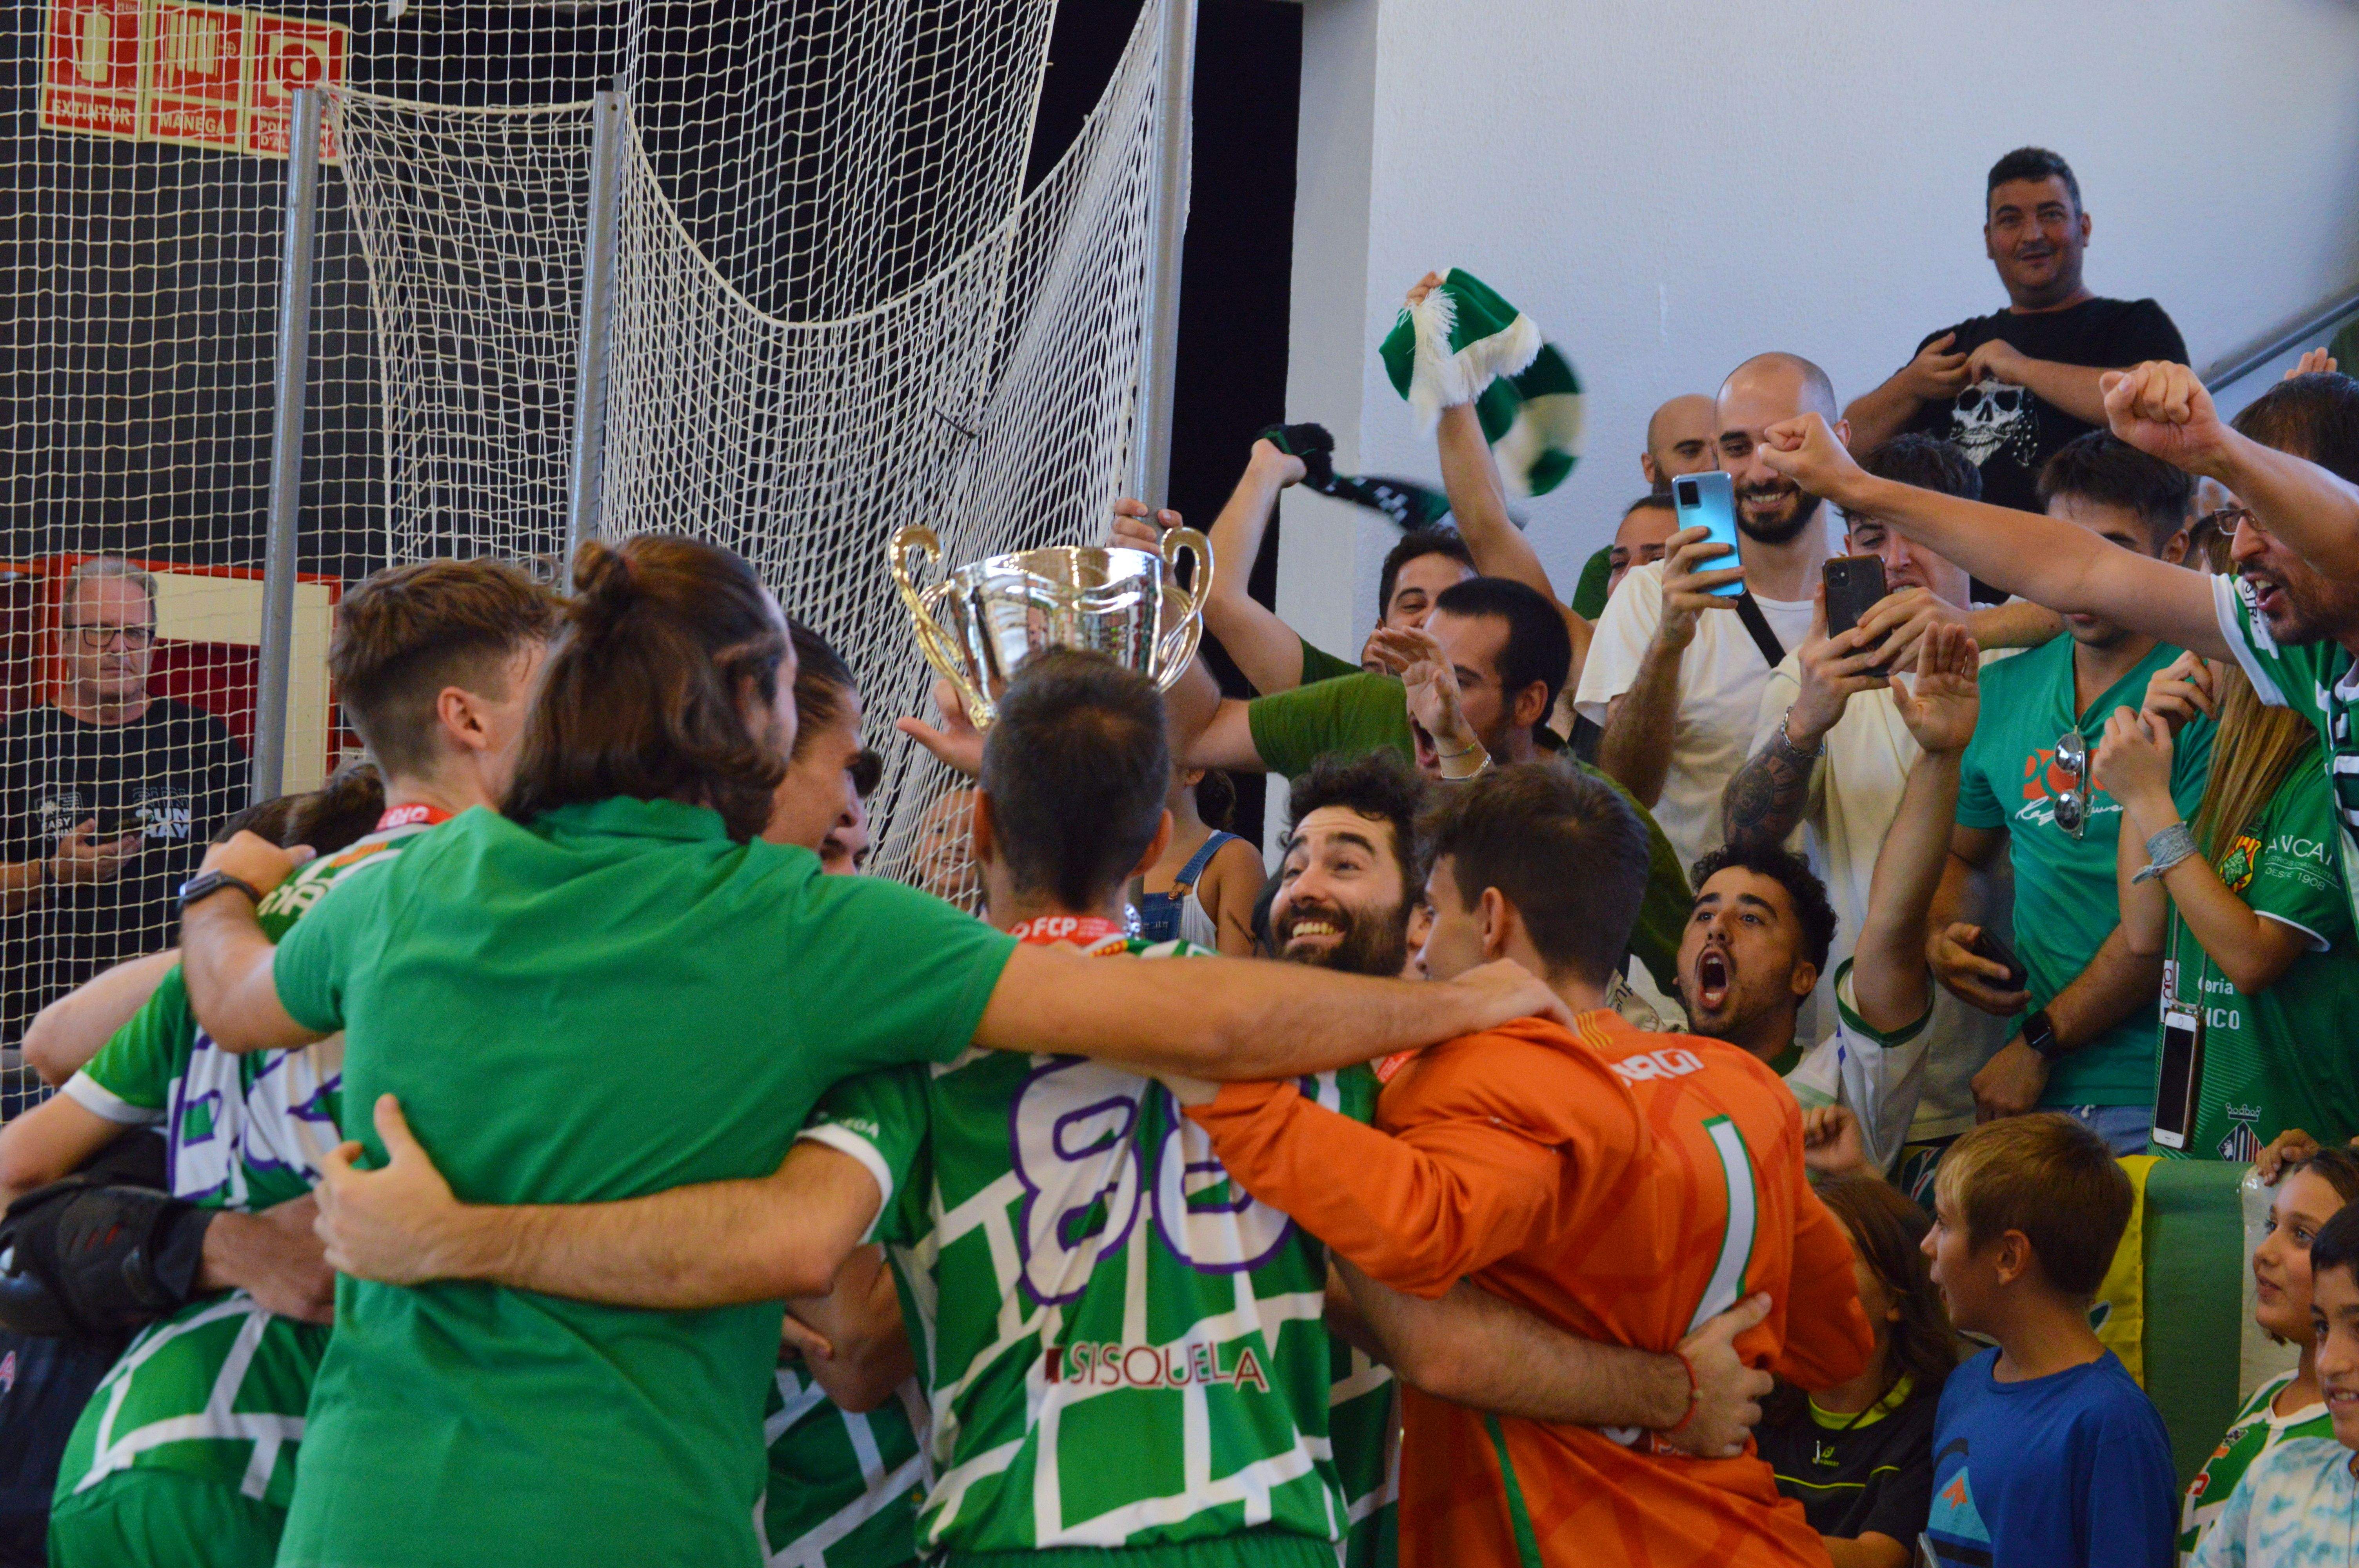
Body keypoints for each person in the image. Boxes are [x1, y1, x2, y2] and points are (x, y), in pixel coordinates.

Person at [174, 535, 1572, 1568]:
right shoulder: (816, 934)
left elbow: (231, 1000)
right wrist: (1448, 1002)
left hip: (360, 1510)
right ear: (744, 706)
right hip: (631, 1514)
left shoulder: (403, 886)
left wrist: (217, 890)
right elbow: (1203, 1024)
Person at [0, 555, 562, 1568]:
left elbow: (20, 1148)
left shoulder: (240, 934)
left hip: (130, 1442)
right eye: (554, 691)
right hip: (295, 1456)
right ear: (469, 721)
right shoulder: (506, 906)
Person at [1173, 763, 1874, 1567]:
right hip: (1750, 1535)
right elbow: (1833, 1345)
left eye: (1432, 911)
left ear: (1494, 920)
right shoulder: (1745, 1082)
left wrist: (1205, 1072)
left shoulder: (1468, 1078)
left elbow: (1423, 1291)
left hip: (1572, 1541)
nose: (1421, 941)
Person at [1761, 372, 2359, 1134]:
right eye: (2232, 517)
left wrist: (2219, 449)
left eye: (2263, 516)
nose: (2240, 548)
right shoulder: (2304, 657)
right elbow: (2082, 571)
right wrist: (1857, 486)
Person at [1042, 565, 1694, 996]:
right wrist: (1146, 599)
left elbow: (1691, 984)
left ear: (1530, 705)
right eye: (1419, 664)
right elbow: (1198, 730)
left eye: (1455, 681)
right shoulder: (1372, 703)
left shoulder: (1597, 819)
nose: (1426, 694)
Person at [1723, 434, 2054, 1115]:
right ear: (1847, 552)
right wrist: (1806, 720)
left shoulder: (2029, 652)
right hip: (1861, 1074)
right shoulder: (1811, 674)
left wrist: (1967, 630)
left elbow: (2105, 597)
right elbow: (1748, 843)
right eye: (1873, 536)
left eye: (1924, 533)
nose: (1899, 561)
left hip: (2021, 1066)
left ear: (1975, 538)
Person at [1931, 434, 2210, 1151]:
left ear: (2173, 552)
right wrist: (1946, 937)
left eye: (2111, 549)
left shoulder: (2206, 694)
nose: (2080, 575)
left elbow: (2177, 921)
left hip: (2177, 1088)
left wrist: (2039, 1043)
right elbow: (1964, 857)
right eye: (2060, 545)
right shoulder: (2000, 689)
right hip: (2032, 1097)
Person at [1580, 352, 1848, 872]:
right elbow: (1626, 794)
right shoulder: (1650, 594)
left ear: (1841, 438)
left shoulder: (1869, 596)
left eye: (1785, 441)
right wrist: (1668, 644)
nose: (1760, 469)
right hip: (1691, 939)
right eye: (1737, 448)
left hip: (1843, 947)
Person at [2100, 651, 2359, 1161]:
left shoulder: (2319, 776)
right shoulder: (2216, 762)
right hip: (2185, 1140)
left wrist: (2152, 801)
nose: (2185, 663)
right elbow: (2145, 930)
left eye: (2203, 642)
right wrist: (2148, 776)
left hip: (2295, 1144)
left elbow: (2252, 958)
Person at [1843, 148, 2188, 521]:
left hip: (2096, 570)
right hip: (1965, 574)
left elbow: (2162, 406)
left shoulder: (2135, 323)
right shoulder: (1951, 348)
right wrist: (1908, 386)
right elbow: (1848, 450)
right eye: (2010, 221)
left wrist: (2022, 368)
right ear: (1989, 241)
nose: (2033, 235)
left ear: (2084, 228)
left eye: (2051, 215)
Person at [0, 559, 246, 1073]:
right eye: (98, 633)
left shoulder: (204, 741)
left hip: (169, 1029)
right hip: (33, 1035)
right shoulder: (15, 744)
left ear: (153, 642)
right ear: (65, 641)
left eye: (134, 633)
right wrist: (52, 873)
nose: (119, 649)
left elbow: (249, 872)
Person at [1919, 1113, 2179, 1568]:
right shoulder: (1965, 1385)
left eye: (1943, 1223)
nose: (1926, 1244)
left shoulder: (2111, 1427)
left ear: (2008, 1256)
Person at [1754, 1175, 1953, 1568]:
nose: (1800, 1274)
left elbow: (1877, 1559)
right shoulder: (1759, 1390)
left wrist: (1736, 1532)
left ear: (1895, 1298)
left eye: (1832, 1257)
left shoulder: (1930, 1416)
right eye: (1796, 1254)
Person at [2177, 1149, 2359, 1562]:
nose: (2263, 1252)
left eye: (2301, 1235)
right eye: (2271, 1224)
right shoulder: (2270, 1398)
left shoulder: (2344, 1428)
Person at [1675, 841, 1836, 1074]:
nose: (1716, 926)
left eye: (1750, 919)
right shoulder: (1631, 1057)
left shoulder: (1837, 1083)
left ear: (1801, 977)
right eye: (1705, 915)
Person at [1568, 394, 1721, 620]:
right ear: (1650, 467)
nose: (1712, 466)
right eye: (1690, 452)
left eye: (1725, 451)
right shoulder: (1606, 569)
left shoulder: (1764, 554)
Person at [1131, 767, 1261, 951]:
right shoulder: (1104, 862)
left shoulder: (1234, 859)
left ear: (1192, 772)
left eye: (1149, 753)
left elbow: (1241, 977)